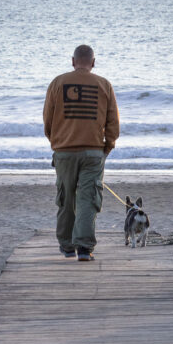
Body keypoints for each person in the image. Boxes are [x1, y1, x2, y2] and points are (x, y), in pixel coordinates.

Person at [43, 44, 120, 261]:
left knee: (66, 198)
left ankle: (67, 246)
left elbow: (48, 119)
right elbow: (113, 121)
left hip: (64, 151)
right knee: (88, 199)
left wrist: (56, 142)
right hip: (93, 152)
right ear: (93, 62)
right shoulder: (104, 84)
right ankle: (85, 249)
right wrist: (108, 146)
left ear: (72, 60)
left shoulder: (58, 82)